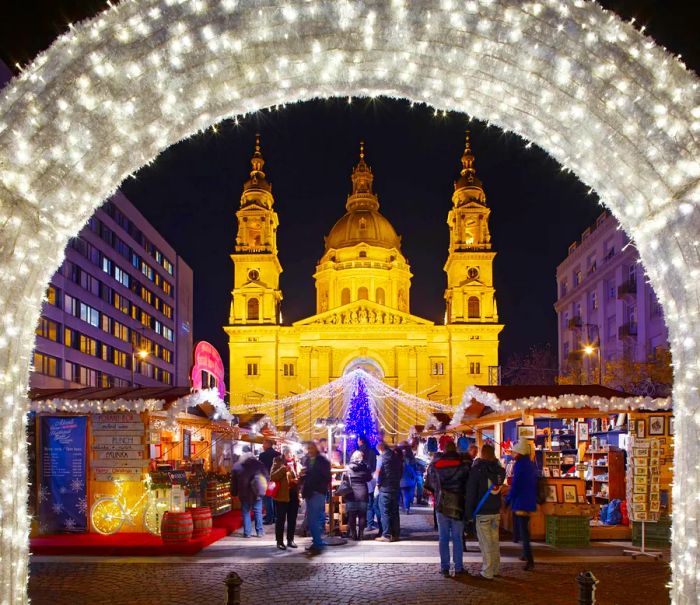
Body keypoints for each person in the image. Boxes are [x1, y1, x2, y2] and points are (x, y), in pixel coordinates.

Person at [426, 441, 470, 577]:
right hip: (458, 504)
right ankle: (458, 568)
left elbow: (429, 485)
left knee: (443, 537)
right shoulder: (463, 465)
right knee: (457, 537)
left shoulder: (435, 465)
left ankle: (445, 567)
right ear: (455, 449)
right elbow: (468, 485)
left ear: (443, 450)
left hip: (442, 504)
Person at [466, 443, 506, 580]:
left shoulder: (478, 470)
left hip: (482, 511)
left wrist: (468, 513)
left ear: (482, 454)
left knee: (485, 542)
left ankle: (487, 571)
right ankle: (495, 568)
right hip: (495, 511)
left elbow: (471, 492)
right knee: (494, 541)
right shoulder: (500, 470)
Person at [505, 441, 537, 571]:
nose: (513, 453)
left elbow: (516, 485)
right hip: (529, 501)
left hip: (520, 502)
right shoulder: (530, 464)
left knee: (523, 532)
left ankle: (529, 560)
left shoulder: (519, 465)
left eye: (514, 451)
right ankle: (525, 554)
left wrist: (508, 499)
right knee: (524, 530)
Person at [300, 441, 332, 555]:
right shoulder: (307, 460)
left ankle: (318, 543)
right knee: (314, 518)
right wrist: (303, 475)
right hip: (309, 492)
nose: (309, 450)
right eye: (308, 448)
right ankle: (317, 541)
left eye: (311, 448)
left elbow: (327, 477)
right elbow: (306, 475)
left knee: (314, 519)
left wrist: (316, 484)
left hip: (317, 492)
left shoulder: (322, 461)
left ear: (316, 448)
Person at [232, 445, 268, 538]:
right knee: (257, 511)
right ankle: (259, 532)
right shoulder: (259, 464)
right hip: (257, 492)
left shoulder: (237, 466)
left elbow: (234, 482)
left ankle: (247, 533)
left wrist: (234, 493)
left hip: (244, 493)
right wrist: (263, 487)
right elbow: (266, 477)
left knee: (245, 511)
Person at [270, 447, 301, 550]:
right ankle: (279, 541)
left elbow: (298, 476)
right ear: (284, 453)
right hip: (282, 496)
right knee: (280, 520)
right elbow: (273, 477)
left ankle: (290, 540)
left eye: (292, 453)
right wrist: (283, 469)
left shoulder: (296, 463)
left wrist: (299, 478)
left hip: (293, 495)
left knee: (292, 519)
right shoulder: (277, 461)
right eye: (289, 453)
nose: (290, 455)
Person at [375, 441, 403, 542]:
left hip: (385, 488)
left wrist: (378, 484)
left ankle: (386, 535)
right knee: (395, 511)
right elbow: (400, 471)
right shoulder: (396, 458)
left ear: (380, 449)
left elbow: (379, 473)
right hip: (395, 488)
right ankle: (396, 534)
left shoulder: (382, 458)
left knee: (385, 511)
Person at [344, 450, 372, 540]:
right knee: (362, 515)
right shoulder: (365, 467)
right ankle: (361, 534)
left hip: (351, 493)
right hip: (363, 493)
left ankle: (353, 534)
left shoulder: (347, 468)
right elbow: (369, 479)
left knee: (351, 515)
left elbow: (344, 479)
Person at [357, 435, 379, 531]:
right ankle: (370, 523)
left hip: (362, 480)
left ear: (361, 441)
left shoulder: (359, 452)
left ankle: (365, 523)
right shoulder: (372, 451)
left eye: (358, 440)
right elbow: (374, 465)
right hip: (371, 479)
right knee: (371, 502)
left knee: (364, 503)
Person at [258, 438, 280, 525]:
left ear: (268, 444)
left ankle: (269, 518)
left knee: (268, 498)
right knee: (275, 498)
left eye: (263, 444)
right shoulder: (278, 454)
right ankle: (275, 517)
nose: (263, 446)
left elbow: (260, 468)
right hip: (277, 479)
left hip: (266, 479)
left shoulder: (262, 455)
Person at [399, 444, 418, 514]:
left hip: (402, 482)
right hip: (410, 482)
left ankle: (405, 507)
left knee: (404, 495)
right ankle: (407, 507)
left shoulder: (399, 464)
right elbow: (413, 472)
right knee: (408, 495)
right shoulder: (411, 462)